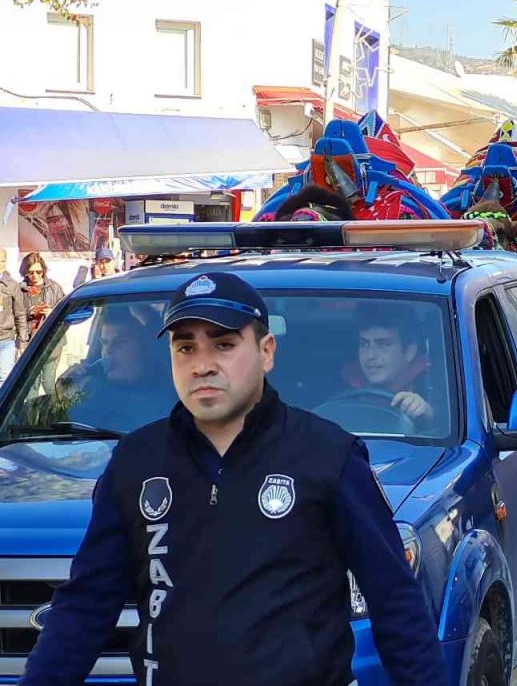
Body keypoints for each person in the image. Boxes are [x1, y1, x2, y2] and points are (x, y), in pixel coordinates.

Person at [21, 272, 447, 685]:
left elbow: (395, 603)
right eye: (185, 347)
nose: (202, 365)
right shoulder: (136, 461)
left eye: (223, 345)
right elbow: (85, 605)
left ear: (266, 351)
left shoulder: (328, 457)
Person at [339, 306, 434, 424]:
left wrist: (428, 416)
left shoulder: (435, 386)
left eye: (383, 344)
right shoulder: (341, 385)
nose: (370, 355)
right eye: (364, 344)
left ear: (410, 351)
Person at [20, 252, 66, 396]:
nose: (35, 275)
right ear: (25, 272)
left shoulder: (55, 288)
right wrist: (29, 312)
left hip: (51, 341)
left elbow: (66, 313)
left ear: (43, 271)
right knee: (31, 386)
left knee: (48, 383)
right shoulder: (20, 289)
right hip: (29, 341)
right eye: (31, 272)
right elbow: (15, 314)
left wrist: (53, 312)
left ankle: (56, 413)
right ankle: (32, 416)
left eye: (38, 272)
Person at [0, 249, 28, 382]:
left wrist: (22, 343)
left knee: (4, 379)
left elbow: (20, 314)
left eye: (2, 260)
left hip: (6, 340)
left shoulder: (12, 285)